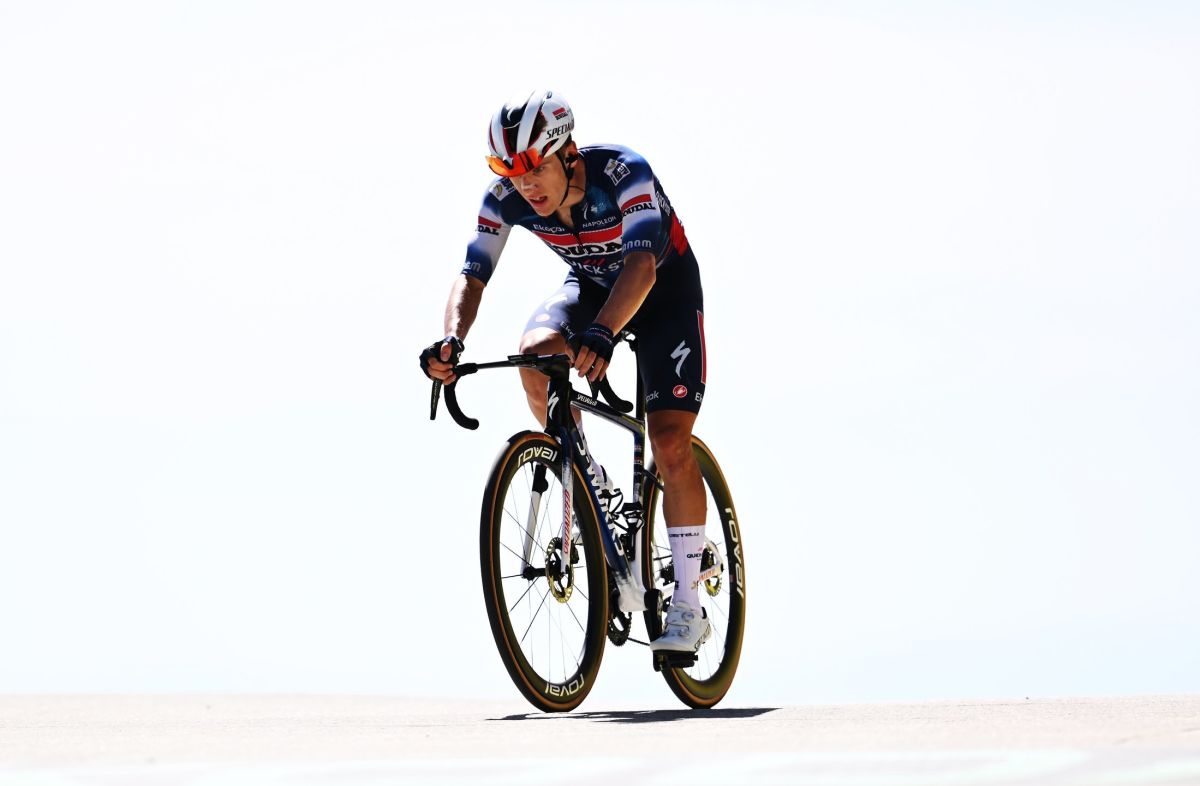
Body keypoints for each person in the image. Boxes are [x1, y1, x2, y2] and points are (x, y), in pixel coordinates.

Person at [420, 90, 710, 653]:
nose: (524, 185)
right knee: (535, 354)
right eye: (509, 171)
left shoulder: (623, 172)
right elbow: (473, 273)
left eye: (534, 168)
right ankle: (585, 476)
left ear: (568, 153)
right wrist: (453, 339)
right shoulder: (504, 200)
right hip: (594, 288)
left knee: (670, 441)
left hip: (663, 292)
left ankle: (688, 604)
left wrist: (603, 333)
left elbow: (642, 265)